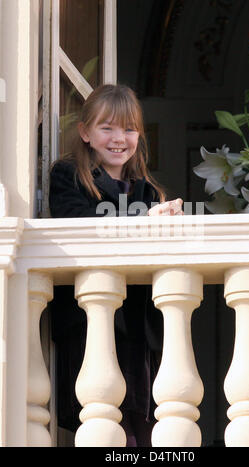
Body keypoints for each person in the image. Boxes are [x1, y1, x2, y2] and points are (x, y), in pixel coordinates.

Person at [48, 83, 184, 447]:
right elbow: (78, 222)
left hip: (141, 325)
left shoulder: (149, 191)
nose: (119, 138)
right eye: (107, 127)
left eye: (128, 128)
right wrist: (143, 221)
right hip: (93, 320)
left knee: (145, 427)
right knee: (103, 424)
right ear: (85, 133)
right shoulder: (68, 175)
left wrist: (171, 225)